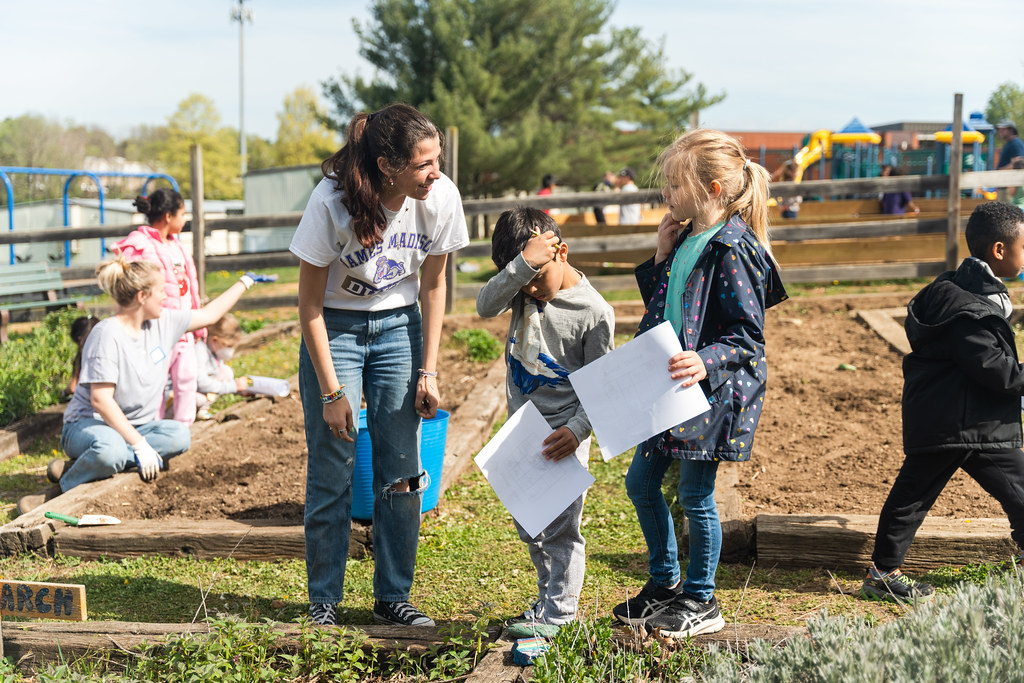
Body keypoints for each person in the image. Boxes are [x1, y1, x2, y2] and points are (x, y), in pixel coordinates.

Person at [289, 103, 469, 628]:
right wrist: (330, 392)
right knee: (332, 467)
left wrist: (428, 370)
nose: (436, 173)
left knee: (403, 471)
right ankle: (324, 599)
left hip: (400, 327)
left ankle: (394, 595)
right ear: (388, 165)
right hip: (336, 329)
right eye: (424, 164)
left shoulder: (440, 198)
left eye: (437, 160)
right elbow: (309, 306)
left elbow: (434, 286)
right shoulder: (331, 202)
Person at [611, 129, 787, 638]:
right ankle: (665, 584)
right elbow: (665, 308)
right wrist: (662, 256)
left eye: (674, 183)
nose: (666, 193)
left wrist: (705, 361)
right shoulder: (689, 239)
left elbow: (747, 338)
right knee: (640, 483)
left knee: (695, 495)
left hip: (710, 393)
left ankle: (702, 599)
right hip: (670, 387)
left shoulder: (734, 247)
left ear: (711, 189)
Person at [863, 202, 1024, 603]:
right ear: (1000, 251)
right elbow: (998, 371)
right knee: (912, 498)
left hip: (963, 420)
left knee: (917, 495)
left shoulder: (959, 289)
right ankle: (882, 574)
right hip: (959, 423)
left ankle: (882, 571)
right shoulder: (968, 312)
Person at [18, 257, 260, 514]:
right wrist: (139, 445)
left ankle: (80, 466)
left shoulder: (163, 322)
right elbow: (101, 400)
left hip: (137, 426)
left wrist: (245, 282)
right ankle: (59, 491)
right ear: (143, 296)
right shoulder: (107, 335)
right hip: (90, 424)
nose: (166, 297)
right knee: (109, 450)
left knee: (179, 435)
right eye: (161, 291)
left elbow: (210, 314)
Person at [476, 207, 614, 639]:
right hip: (523, 432)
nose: (532, 288)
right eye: (523, 276)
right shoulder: (521, 286)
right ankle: (545, 601)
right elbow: (484, 305)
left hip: (563, 435)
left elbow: (602, 388)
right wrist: (523, 268)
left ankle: (560, 615)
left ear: (562, 251)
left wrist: (576, 431)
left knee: (561, 530)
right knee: (531, 527)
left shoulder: (594, 312)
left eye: (539, 275)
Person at [115, 188, 203, 425]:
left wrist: (198, 322)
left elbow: (191, 285)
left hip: (183, 326)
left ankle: (183, 429)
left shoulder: (177, 246)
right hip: (155, 329)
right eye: (182, 214)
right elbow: (128, 282)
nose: (184, 220)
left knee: (187, 377)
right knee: (155, 381)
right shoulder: (139, 244)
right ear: (168, 216)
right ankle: (150, 427)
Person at [193, 313, 250, 420]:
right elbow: (200, 382)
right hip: (192, 390)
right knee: (198, 399)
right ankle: (190, 413)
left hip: (204, 387)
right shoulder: (200, 351)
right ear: (215, 340)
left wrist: (238, 389)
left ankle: (203, 409)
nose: (230, 350)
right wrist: (233, 387)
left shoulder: (214, 351)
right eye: (228, 346)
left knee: (226, 372)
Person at [64, 314, 100, 399]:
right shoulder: (107, 350)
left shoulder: (83, 355)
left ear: (79, 339)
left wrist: (65, 392)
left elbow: (73, 387)